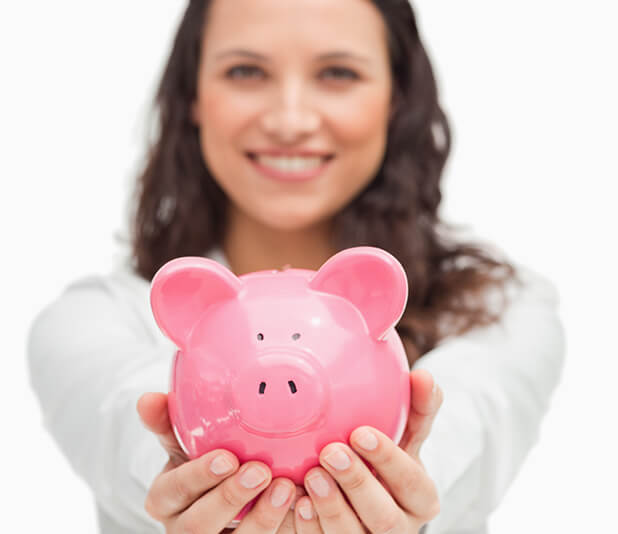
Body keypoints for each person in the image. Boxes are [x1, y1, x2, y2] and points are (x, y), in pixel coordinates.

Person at [26, 0, 565, 533]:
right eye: (246, 71)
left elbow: (471, 421)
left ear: (396, 101)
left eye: (338, 73)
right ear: (192, 96)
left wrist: (399, 483)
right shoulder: (91, 321)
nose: (289, 120)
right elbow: (125, 423)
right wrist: (189, 478)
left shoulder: (502, 310)